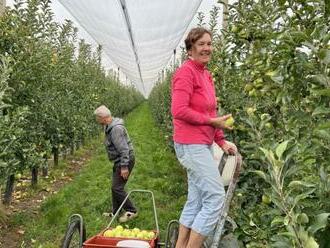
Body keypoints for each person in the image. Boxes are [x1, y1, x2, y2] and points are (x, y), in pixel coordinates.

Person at [171, 27, 237, 248]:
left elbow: (211, 113)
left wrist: (221, 140)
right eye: (201, 44)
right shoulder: (186, 72)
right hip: (190, 145)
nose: (207, 48)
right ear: (190, 49)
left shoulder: (206, 75)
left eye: (209, 43)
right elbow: (178, 110)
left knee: (196, 200)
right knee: (215, 198)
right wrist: (212, 123)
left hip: (202, 143)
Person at [94, 105, 138, 223]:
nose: (97, 120)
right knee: (115, 187)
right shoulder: (109, 126)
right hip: (120, 160)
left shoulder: (115, 129)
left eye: (97, 118)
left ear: (102, 117)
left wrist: (124, 167)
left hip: (124, 160)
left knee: (117, 187)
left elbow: (124, 149)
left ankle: (132, 211)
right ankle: (116, 212)